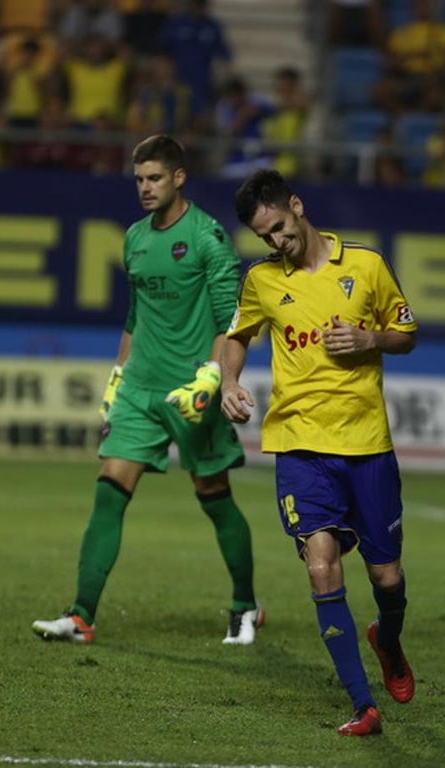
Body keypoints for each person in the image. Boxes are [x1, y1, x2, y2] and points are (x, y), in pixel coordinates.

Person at [32, 134, 264, 646]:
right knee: (109, 492)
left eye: (154, 178)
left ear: (179, 178)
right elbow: (135, 316)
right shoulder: (134, 236)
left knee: (213, 495)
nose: (145, 187)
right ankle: (81, 615)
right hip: (140, 388)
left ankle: (245, 606)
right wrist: (118, 378)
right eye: (138, 179)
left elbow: (234, 317)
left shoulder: (208, 238)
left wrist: (215, 376)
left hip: (193, 389)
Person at [223, 169, 418, 736]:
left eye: (281, 229)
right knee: (320, 563)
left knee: (387, 578)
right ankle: (363, 705)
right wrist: (231, 382)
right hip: (300, 445)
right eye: (265, 237)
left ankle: (388, 637)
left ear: (297, 207)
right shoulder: (261, 280)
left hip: (367, 445)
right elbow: (237, 336)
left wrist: (371, 339)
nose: (276, 243)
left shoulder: (366, 265)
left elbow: (406, 332)